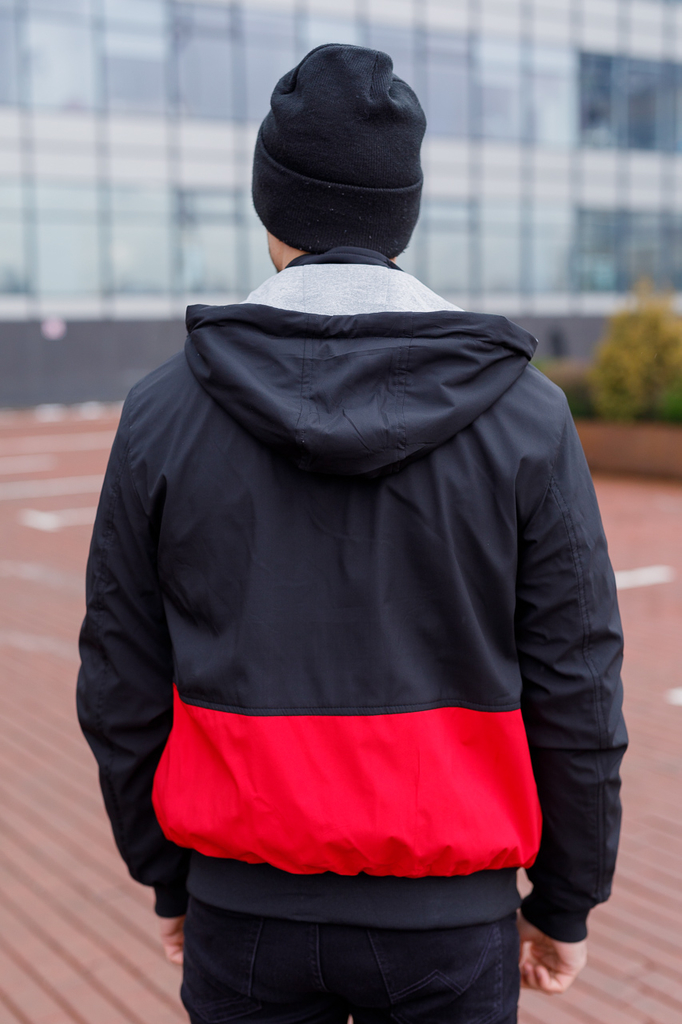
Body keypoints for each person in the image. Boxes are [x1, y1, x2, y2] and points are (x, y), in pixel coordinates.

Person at [77, 44, 626, 1024]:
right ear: (400, 213)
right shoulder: (524, 415)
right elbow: (576, 678)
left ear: (269, 204)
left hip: (242, 907)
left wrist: (169, 877)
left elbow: (120, 672)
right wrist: (564, 901)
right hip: (449, 920)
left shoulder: (162, 412)